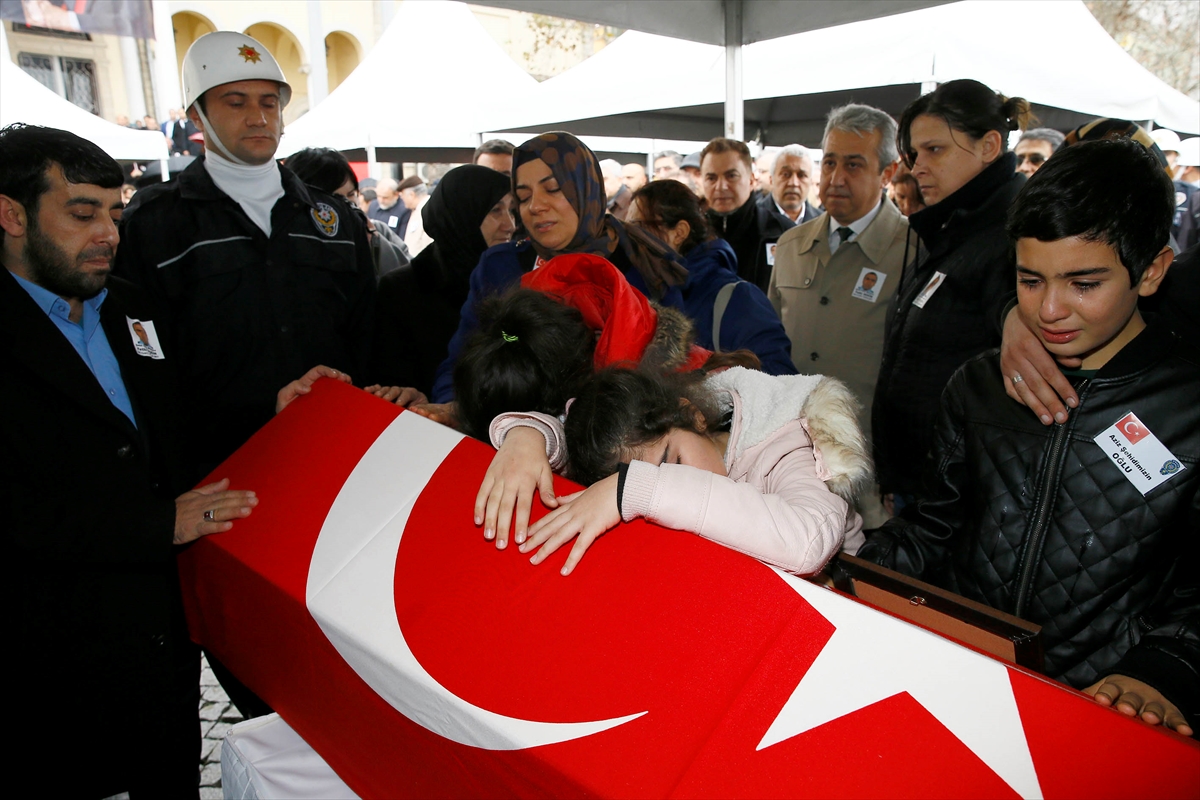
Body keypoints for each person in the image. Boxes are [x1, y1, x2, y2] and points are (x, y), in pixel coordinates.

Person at [858, 137, 1197, 737]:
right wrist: (840, 555)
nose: (1049, 309)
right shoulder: (980, 386)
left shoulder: (1189, 405)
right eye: (1029, 280)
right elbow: (934, 529)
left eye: (1084, 284)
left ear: (1151, 271)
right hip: (958, 684)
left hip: (1097, 710)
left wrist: (1160, 671)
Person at [0, 122, 259, 795]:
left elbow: (181, 426)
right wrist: (154, 525)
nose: (109, 233)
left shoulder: (134, 310)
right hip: (47, 668)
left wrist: (277, 410)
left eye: (115, 212)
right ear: (10, 214)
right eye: (82, 213)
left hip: (160, 655)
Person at [113, 30, 376, 479]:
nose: (258, 117)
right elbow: (144, 361)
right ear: (197, 114)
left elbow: (368, 336)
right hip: (216, 466)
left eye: (269, 103)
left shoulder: (333, 218)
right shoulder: (155, 223)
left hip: (333, 452)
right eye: (236, 102)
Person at [513, 365, 870, 577]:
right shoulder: (663, 452)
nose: (666, 479)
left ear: (695, 415)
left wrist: (641, 488)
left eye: (672, 463)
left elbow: (807, 543)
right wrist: (528, 435)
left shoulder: (788, 445)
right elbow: (568, 428)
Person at [872, 79, 1031, 514]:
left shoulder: (1013, 237)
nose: (918, 167)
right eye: (914, 154)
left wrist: (1017, 316)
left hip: (962, 498)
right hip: (921, 485)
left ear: (989, 146)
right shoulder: (953, 230)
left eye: (935, 150)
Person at [770, 104, 905, 457]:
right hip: (790, 448)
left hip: (868, 453)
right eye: (829, 162)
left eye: (853, 164)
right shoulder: (791, 246)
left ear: (887, 173)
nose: (836, 178)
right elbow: (771, 343)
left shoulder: (913, 252)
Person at [628, 178, 797, 375]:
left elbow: (781, 380)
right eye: (625, 226)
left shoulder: (738, 298)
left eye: (637, 226)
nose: (628, 236)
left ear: (679, 232)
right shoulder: (636, 293)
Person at [372, 164, 513, 397]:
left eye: (511, 211)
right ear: (463, 213)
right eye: (496, 211)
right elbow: (391, 383)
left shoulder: (513, 280)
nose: (510, 225)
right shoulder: (401, 291)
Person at [285, 146, 411, 278]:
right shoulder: (288, 242)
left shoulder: (378, 231)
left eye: (351, 195)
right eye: (334, 198)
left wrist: (374, 242)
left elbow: (410, 281)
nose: (347, 205)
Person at [701, 137, 807, 293]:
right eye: (711, 178)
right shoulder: (688, 236)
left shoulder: (783, 234)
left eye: (731, 176)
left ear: (751, 180)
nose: (721, 186)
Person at [400, 176, 433, 255]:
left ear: (412, 195)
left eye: (403, 196)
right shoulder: (416, 210)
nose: (402, 200)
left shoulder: (429, 210)